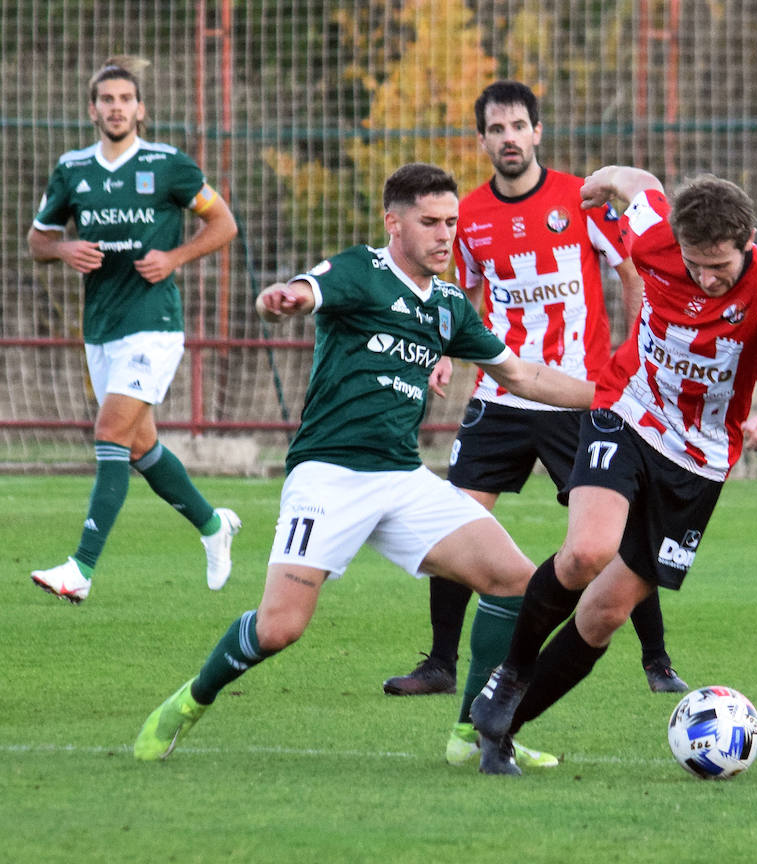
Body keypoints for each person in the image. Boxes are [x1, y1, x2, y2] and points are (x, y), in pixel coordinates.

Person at [133, 163, 594, 765]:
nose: (444, 235)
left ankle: (473, 735)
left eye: (451, 223)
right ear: (394, 223)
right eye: (429, 222)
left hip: (402, 478)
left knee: (516, 583)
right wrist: (285, 300)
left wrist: (612, 394)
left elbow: (522, 375)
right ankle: (188, 703)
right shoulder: (362, 270)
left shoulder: (450, 304)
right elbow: (308, 291)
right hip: (330, 475)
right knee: (279, 628)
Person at [467, 167, 757, 775]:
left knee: (604, 614)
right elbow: (637, 182)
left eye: (720, 265)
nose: (706, 276)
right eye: (695, 262)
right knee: (587, 551)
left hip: (699, 458)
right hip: (627, 411)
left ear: (750, 241)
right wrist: (604, 179)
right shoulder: (655, 234)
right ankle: (508, 676)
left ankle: (504, 730)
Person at [382, 83, 688, 732]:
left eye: (520, 125)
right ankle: (440, 662)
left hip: (582, 394)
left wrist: (641, 348)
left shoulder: (581, 201)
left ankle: (657, 660)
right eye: (498, 128)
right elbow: (456, 296)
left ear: (538, 132)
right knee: (456, 518)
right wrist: (442, 351)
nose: (510, 137)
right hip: (501, 393)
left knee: (620, 531)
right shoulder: (467, 216)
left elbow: (632, 269)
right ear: (484, 140)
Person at [27, 56, 241, 603]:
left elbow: (223, 224)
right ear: (93, 109)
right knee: (140, 448)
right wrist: (62, 247)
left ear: (140, 108)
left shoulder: (168, 165)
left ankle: (81, 569)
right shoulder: (73, 169)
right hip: (100, 327)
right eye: (107, 99)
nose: (116, 107)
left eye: (126, 98)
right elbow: (37, 240)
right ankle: (213, 526)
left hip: (154, 325)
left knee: (110, 432)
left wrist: (174, 258)